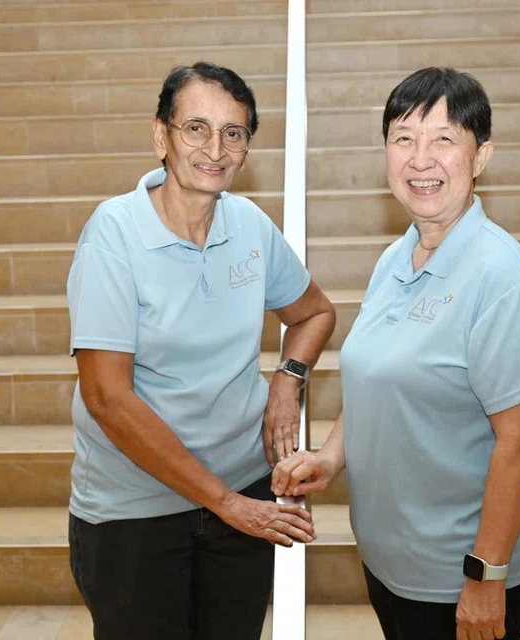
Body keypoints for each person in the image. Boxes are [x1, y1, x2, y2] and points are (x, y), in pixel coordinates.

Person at [272, 67, 520, 640]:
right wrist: (329, 458)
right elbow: (378, 378)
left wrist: (486, 576)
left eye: (444, 139)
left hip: (459, 576)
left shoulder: (501, 275)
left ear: (481, 157)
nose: (420, 159)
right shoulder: (396, 258)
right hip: (392, 562)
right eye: (404, 138)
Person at [66, 61, 336, 640]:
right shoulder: (113, 233)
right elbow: (107, 398)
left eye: (233, 133)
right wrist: (224, 502)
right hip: (135, 510)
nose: (215, 149)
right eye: (196, 128)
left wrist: (287, 381)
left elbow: (314, 313)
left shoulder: (248, 224)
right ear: (161, 135)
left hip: (243, 491)